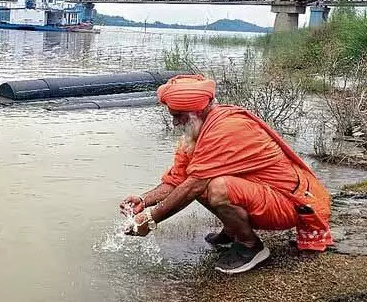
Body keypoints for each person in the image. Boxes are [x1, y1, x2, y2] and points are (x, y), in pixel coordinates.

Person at [120, 74, 332, 274]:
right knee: (198, 182)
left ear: (198, 112)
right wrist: (143, 200)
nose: (175, 123)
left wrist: (149, 220)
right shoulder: (196, 134)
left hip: (291, 203)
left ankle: (250, 245)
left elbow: (193, 185)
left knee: (215, 187)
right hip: (265, 195)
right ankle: (232, 231)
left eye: (178, 117)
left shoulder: (228, 127)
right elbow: (177, 179)